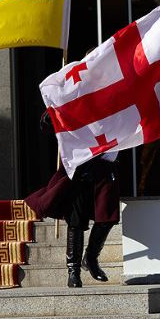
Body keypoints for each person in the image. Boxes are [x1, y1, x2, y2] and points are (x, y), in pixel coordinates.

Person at [25, 112, 120, 288]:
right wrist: (51, 115)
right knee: (76, 219)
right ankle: (73, 271)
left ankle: (91, 258)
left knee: (108, 216)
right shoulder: (75, 98)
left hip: (106, 162)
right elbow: (47, 124)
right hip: (79, 164)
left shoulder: (111, 98)